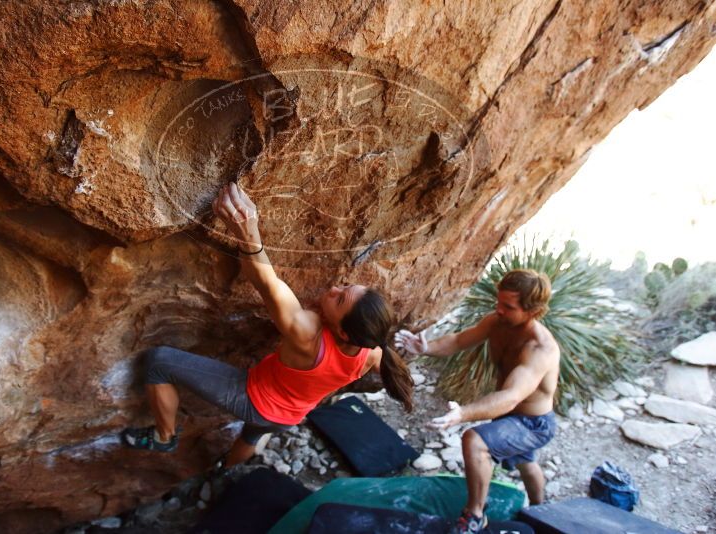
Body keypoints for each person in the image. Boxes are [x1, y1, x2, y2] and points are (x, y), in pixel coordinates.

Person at [122, 183, 414, 467]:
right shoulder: (373, 351)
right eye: (347, 286)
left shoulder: (308, 333)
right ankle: (229, 474)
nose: (336, 288)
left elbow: (267, 283)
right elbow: (386, 362)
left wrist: (247, 229)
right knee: (250, 437)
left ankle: (164, 436)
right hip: (290, 417)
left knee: (159, 361)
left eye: (339, 300)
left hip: (255, 402)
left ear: (342, 332)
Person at [395, 269, 560, 534]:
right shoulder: (498, 322)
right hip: (508, 416)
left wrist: (464, 413)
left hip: (532, 423)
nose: (499, 310)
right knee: (526, 462)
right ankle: (544, 511)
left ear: (533, 311)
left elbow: (512, 395)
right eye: (498, 302)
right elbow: (460, 340)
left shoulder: (540, 349)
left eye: (508, 306)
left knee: (474, 440)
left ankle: (475, 516)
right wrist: (426, 347)